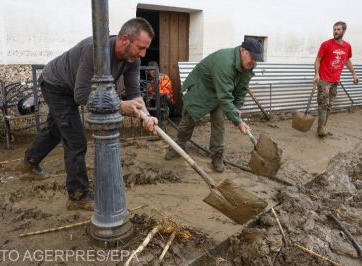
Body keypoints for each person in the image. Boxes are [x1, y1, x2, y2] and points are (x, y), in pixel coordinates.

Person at [20, 18, 157, 211]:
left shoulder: (132, 59)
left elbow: (135, 95)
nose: (143, 53)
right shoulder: (95, 51)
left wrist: (147, 116)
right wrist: (119, 105)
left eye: (145, 49)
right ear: (125, 39)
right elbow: (82, 94)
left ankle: (29, 161)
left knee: (57, 129)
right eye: (140, 47)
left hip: (72, 85)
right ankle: (78, 196)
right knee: (76, 139)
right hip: (56, 84)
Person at [165, 38, 262, 173]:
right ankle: (178, 146)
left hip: (220, 93)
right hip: (202, 88)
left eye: (257, 60)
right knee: (189, 119)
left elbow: (241, 90)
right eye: (252, 57)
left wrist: (236, 110)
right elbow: (225, 96)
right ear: (243, 50)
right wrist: (238, 122)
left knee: (219, 123)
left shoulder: (249, 65)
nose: (254, 62)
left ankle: (217, 155)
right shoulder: (225, 62)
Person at [313, 21, 358, 137]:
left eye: (338, 29)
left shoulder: (347, 46)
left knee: (329, 105)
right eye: (334, 29)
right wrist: (317, 74)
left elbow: (347, 60)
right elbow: (318, 60)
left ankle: (324, 126)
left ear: (344, 31)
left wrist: (354, 74)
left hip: (335, 80)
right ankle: (320, 130)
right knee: (323, 104)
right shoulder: (326, 44)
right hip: (323, 80)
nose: (335, 31)